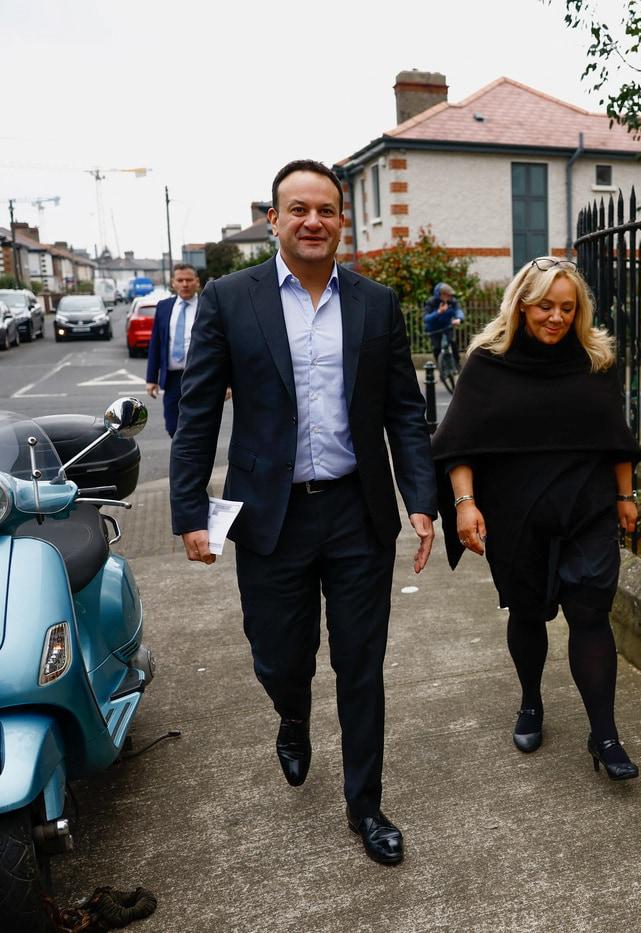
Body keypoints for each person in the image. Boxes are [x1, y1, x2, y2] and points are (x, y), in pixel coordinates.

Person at [169, 159, 437, 865]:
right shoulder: (231, 298)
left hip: (357, 512)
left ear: (342, 220)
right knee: (279, 655)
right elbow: (197, 411)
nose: (313, 220)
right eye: (299, 209)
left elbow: (406, 411)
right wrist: (190, 511)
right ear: (274, 219)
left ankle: (366, 804)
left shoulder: (377, 304)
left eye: (326, 209)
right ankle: (292, 713)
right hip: (269, 516)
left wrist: (421, 500)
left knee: (361, 664)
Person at [432, 257, 641, 780]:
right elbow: (458, 443)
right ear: (521, 304)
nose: (556, 317)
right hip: (515, 510)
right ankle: (531, 701)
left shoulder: (595, 359)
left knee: (590, 611)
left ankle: (605, 734)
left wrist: (625, 494)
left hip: (587, 505)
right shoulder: (487, 361)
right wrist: (465, 504)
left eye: (567, 308)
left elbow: (613, 433)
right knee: (528, 612)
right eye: (545, 305)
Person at [145, 264, 201, 437]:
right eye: (180, 280)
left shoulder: (208, 306)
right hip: (172, 379)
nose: (185, 284)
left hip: (200, 377)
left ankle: (193, 461)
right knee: (172, 426)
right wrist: (151, 378)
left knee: (198, 427)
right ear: (173, 283)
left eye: (189, 280)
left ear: (197, 282)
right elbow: (156, 343)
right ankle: (181, 459)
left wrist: (227, 382)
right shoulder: (164, 307)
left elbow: (222, 345)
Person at [422, 282, 463, 367]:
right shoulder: (431, 302)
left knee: (452, 343)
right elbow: (426, 318)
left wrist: (459, 319)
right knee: (436, 348)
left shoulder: (452, 302)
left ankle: (457, 364)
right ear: (439, 294)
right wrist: (438, 312)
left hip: (447, 327)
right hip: (434, 329)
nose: (448, 297)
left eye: (449, 295)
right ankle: (441, 367)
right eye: (446, 295)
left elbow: (458, 310)